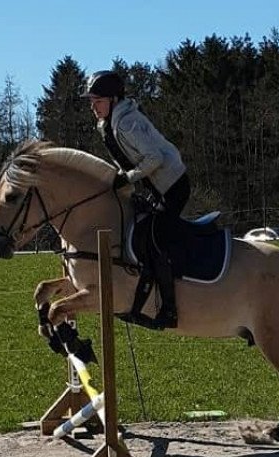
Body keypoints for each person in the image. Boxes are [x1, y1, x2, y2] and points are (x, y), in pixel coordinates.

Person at [81, 70, 190, 329]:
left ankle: (170, 310)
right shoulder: (108, 124)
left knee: (155, 240)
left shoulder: (127, 123)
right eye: (91, 101)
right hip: (156, 188)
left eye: (97, 101)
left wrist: (127, 177)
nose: (93, 107)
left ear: (114, 100)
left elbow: (155, 159)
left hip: (173, 187)